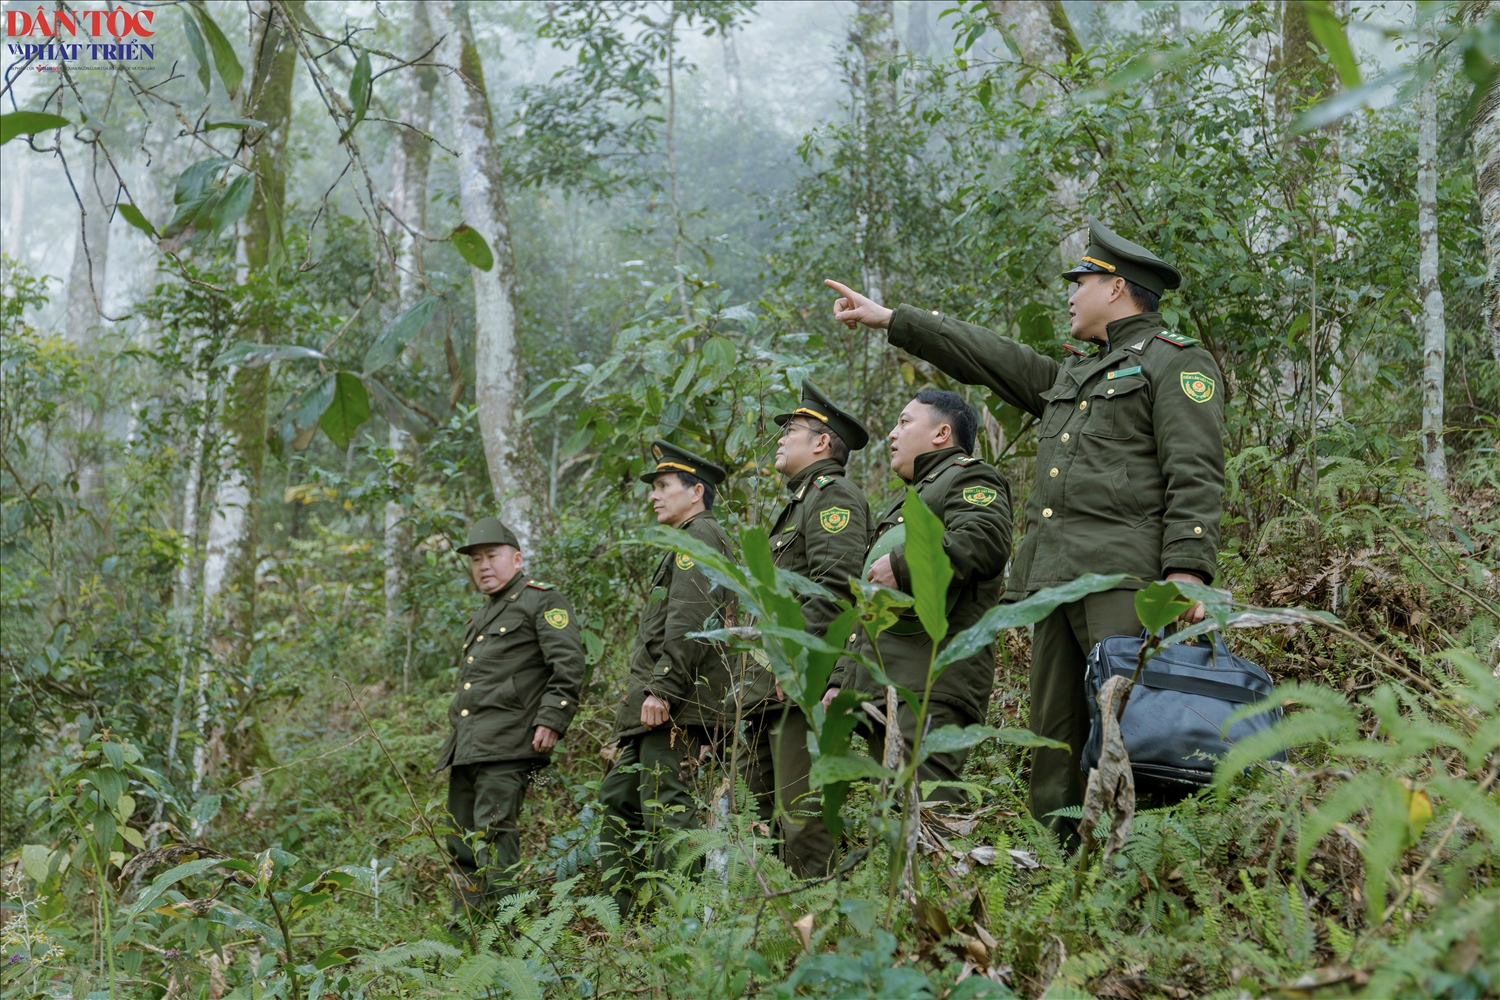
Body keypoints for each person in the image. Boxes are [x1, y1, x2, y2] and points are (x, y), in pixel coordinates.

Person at [826, 216, 1226, 844]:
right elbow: (991, 357)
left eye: (1081, 281)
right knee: (1054, 741)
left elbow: (1195, 470)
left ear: (1116, 287)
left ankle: (1133, 870)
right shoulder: (1076, 374)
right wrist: (893, 320)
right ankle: (1060, 872)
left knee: (1128, 730)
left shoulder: (1173, 364)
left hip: (1123, 579)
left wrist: (1185, 570)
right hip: (1051, 583)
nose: (1070, 294)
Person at [824, 390, 1012, 802]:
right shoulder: (909, 498)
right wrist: (842, 678)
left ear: (942, 433)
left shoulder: (968, 476)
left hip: (931, 684)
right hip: (888, 686)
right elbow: (871, 603)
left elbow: (985, 540)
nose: (892, 434)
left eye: (905, 422)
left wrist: (904, 565)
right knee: (893, 825)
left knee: (925, 823)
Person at [737, 380, 873, 877]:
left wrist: (800, 661)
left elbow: (834, 588)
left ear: (820, 442)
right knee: (761, 820)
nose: (779, 438)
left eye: (790, 430)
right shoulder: (799, 502)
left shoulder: (833, 496)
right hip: (770, 690)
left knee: (802, 820)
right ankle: (776, 937)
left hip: (802, 684)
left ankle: (818, 929)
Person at [598, 440, 734, 918]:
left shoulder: (701, 536)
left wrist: (663, 690)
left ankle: (678, 923)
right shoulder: (684, 540)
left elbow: (690, 620)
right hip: (653, 708)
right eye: (652, 487)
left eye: (662, 486)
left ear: (696, 492)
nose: (654, 496)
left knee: (667, 811)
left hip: (677, 705)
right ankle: (623, 919)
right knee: (618, 798)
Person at [436, 517, 585, 918]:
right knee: (461, 841)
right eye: (476, 559)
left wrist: (552, 719)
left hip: (509, 744)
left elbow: (568, 664)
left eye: (492, 556)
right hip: (468, 746)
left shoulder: (542, 601)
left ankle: (505, 935)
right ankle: (467, 929)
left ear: (517, 559)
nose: (483, 565)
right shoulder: (481, 615)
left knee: (494, 834)